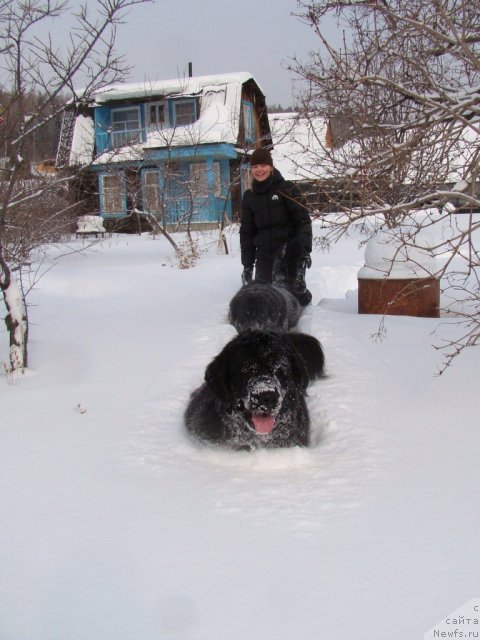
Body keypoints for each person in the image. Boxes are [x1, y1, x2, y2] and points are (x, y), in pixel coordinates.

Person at [240, 148, 313, 306]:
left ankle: (306, 313)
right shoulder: (249, 196)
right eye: (255, 166)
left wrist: (305, 252)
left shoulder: (287, 189)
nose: (259, 170)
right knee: (264, 301)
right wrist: (247, 265)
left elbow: (303, 221)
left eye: (263, 165)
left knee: (293, 297)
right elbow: (246, 233)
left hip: (288, 254)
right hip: (264, 256)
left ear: (271, 167)